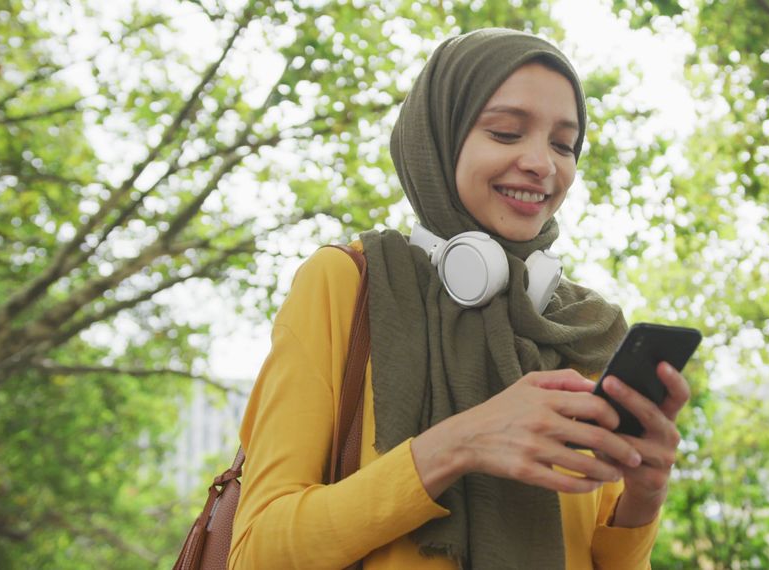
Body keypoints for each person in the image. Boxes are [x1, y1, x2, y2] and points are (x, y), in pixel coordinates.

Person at [228, 28, 690, 570]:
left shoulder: (575, 328)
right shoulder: (347, 283)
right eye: (506, 132)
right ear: (438, 139)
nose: (543, 163)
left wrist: (643, 499)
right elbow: (257, 551)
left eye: (564, 144)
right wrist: (458, 444)